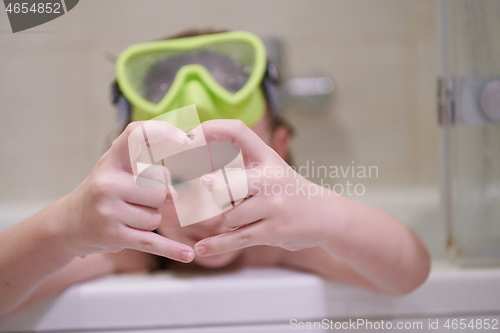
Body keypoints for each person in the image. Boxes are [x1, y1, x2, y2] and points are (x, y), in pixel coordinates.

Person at [0, 29, 431, 318]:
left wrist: (330, 216)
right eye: (175, 173)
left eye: (229, 167)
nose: (205, 213)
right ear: (130, 169)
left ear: (277, 154)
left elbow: (408, 272)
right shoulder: (127, 251)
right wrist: (66, 226)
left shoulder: (283, 246)